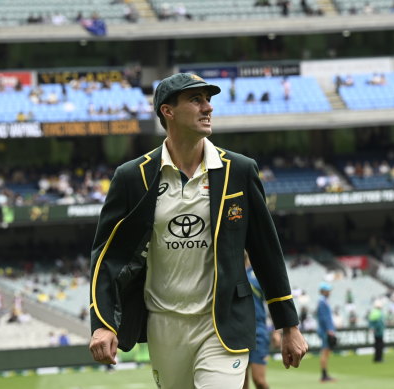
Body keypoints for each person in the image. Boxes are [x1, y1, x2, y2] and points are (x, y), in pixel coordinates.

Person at [88, 73, 308, 389]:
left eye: (209, 100)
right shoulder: (131, 178)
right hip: (164, 326)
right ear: (168, 111)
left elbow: (266, 251)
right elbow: (107, 258)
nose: (208, 108)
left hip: (222, 324)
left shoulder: (240, 171)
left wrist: (289, 324)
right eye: (196, 100)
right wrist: (103, 324)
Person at [243, 252, 272, 389]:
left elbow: (272, 302)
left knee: (259, 380)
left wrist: (277, 331)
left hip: (258, 331)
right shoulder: (231, 273)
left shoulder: (257, 275)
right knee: (241, 383)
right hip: (238, 332)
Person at [317, 282, 336, 382]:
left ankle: (325, 374)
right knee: (325, 352)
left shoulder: (322, 301)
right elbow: (324, 318)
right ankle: (324, 375)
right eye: (328, 290)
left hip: (324, 330)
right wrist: (329, 330)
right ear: (324, 291)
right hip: (325, 331)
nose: (329, 292)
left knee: (326, 352)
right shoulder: (322, 302)